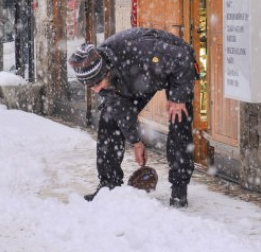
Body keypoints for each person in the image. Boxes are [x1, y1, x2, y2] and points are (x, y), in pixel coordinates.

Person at [68, 27, 197, 208]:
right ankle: (109, 185)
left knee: (179, 121)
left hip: (174, 72)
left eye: (97, 83)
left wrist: (179, 97)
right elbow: (122, 111)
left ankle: (179, 187)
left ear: (106, 70)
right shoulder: (106, 80)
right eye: (90, 86)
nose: (97, 89)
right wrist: (136, 141)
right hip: (136, 80)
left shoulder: (142, 48)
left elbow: (183, 56)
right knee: (109, 119)